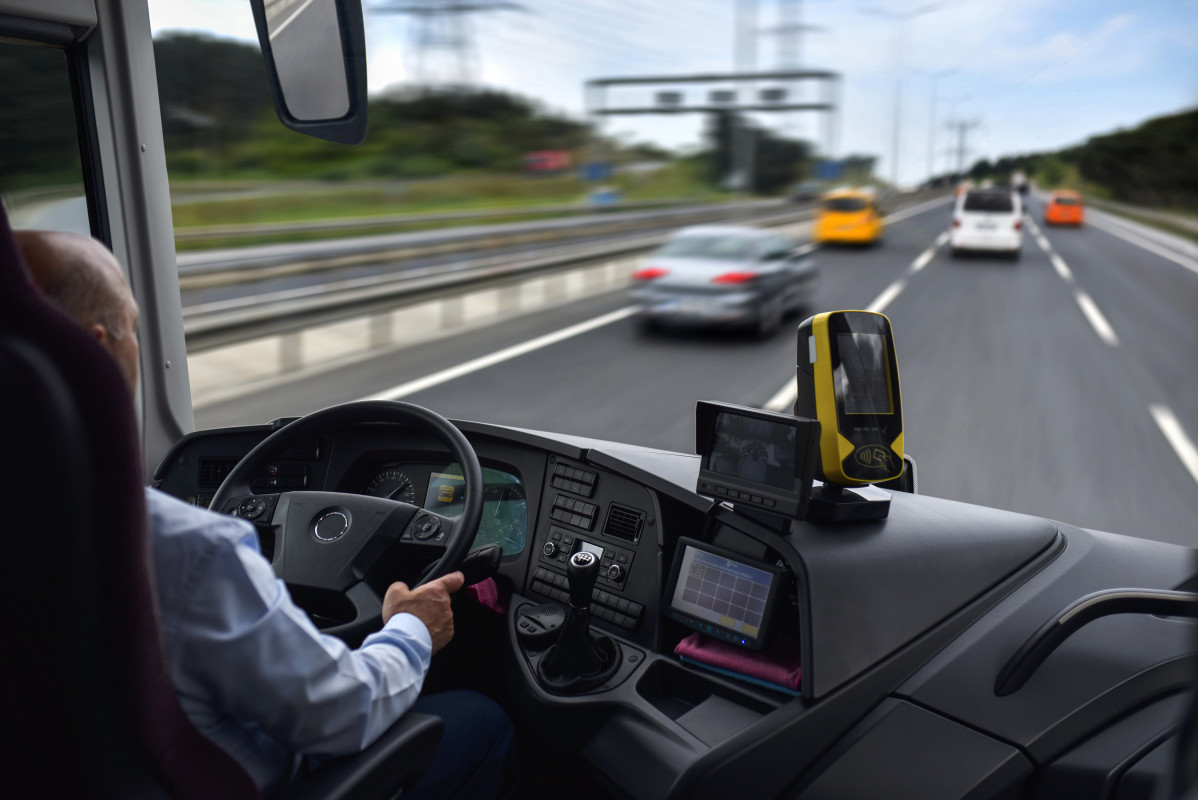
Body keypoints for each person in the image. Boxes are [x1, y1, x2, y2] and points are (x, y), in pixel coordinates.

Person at [14, 230, 517, 798]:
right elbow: (344, 711)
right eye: (133, 328)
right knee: (483, 718)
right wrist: (410, 627)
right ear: (94, 351)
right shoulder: (186, 548)